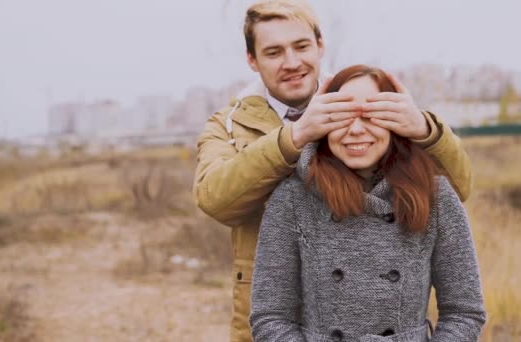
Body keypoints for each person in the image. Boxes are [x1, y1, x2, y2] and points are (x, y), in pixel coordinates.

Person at [193, 1, 474, 341]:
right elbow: (216, 200)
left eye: (301, 46)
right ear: (252, 60)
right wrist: (295, 137)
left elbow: (453, 188)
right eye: (273, 52)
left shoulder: (360, 98)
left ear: (320, 45)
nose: (292, 62)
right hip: (272, 321)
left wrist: (425, 129)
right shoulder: (227, 125)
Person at [250, 64, 486, 341]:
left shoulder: (435, 195)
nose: (356, 130)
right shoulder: (292, 199)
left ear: (397, 121)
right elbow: (270, 317)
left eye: (371, 117)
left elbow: (464, 312)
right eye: (342, 118)